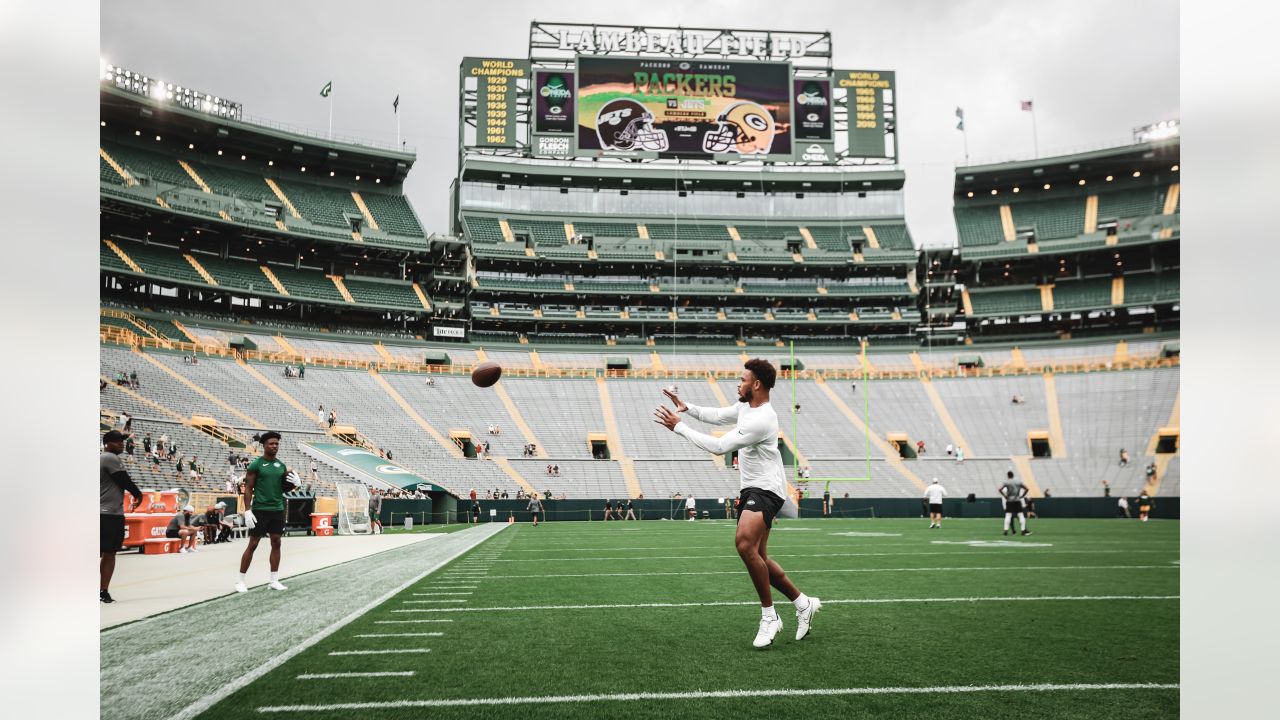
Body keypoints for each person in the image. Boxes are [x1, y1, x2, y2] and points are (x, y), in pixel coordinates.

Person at [654, 358, 820, 649]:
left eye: (742, 379)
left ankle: (770, 616)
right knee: (759, 557)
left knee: (744, 544)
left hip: (766, 489)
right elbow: (717, 415)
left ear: (756, 384)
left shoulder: (762, 418)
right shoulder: (746, 407)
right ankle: (802, 602)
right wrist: (687, 407)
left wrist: (679, 427)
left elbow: (719, 446)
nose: (738, 384)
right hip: (753, 487)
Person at [235, 431, 298, 593]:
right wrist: (247, 510)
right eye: (271, 443)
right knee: (253, 544)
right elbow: (248, 488)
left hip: (277, 509)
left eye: (277, 444)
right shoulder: (256, 465)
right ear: (264, 445)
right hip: (260, 510)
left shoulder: (281, 466)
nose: (275, 446)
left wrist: (296, 484)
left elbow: (285, 488)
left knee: (277, 543)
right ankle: (240, 581)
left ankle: (274, 580)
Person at [101, 431, 144, 604]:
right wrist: (138, 495)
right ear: (106, 443)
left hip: (105, 511)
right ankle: (103, 591)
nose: (121, 443)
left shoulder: (102, 458)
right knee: (109, 553)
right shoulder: (110, 458)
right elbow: (124, 480)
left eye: (122, 441)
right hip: (109, 513)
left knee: (105, 553)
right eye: (116, 441)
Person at [998, 470, 1031, 536]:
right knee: (1020, 515)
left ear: (1008, 475)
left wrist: (1005, 496)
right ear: (1013, 475)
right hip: (1017, 500)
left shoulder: (1006, 482)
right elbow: (1027, 489)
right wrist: (1022, 496)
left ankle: (1005, 531)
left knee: (1008, 515)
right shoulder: (1018, 481)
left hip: (1009, 500)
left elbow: (999, 489)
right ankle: (1023, 531)